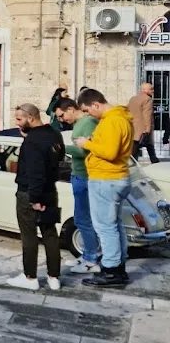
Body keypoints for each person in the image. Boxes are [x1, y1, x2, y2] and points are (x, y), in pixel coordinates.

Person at [75, 89, 134, 288]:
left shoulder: (111, 121)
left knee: (105, 227)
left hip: (106, 179)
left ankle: (110, 270)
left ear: (95, 105)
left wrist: (87, 144)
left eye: (87, 110)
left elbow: (109, 152)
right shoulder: (120, 118)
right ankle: (118, 266)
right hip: (116, 177)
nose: (87, 114)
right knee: (115, 225)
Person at [6, 104, 65, 291]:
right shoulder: (54, 134)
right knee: (50, 234)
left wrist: (35, 199)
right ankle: (54, 277)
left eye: (19, 119)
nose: (17, 123)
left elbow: (35, 172)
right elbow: (58, 157)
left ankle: (30, 277)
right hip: (50, 191)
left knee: (29, 236)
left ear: (30, 118)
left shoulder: (32, 142)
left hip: (31, 193)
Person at [55, 98, 101, 274]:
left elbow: (85, 150)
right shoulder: (80, 124)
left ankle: (90, 259)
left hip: (84, 176)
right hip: (79, 175)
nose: (61, 119)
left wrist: (62, 148)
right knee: (81, 218)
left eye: (62, 115)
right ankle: (87, 255)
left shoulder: (87, 122)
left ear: (71, 109)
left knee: (84, 219)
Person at [128, 82, 160, 164]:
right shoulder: (147, 99)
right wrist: (148, 129)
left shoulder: (133, 98)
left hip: (134, 127)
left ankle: (134, 162)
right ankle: (154, 161)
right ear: (144, 90)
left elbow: (127, 110)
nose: (153, 91)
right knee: (149, 145)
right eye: (151, 89)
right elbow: (147, 115)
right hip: (143, 128)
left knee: (135, 146)